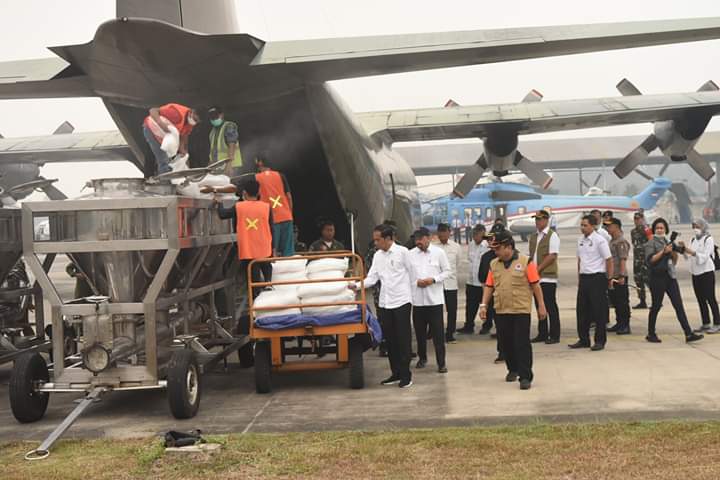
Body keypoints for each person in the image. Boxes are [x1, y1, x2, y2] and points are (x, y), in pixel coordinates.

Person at [480, 231, 547, 390]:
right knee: (506, 342)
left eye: (498, 249)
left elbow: (535, 285)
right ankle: (513, 369)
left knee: (522, 343)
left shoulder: (526, 262)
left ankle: (525, 377)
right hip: (502, 309)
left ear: (508, 247)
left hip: (520, 310)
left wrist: (541, 305)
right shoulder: (494, 264)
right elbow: (489, 286)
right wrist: (483, 305)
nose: (495, 252)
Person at [356, 224, 414, 388]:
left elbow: (413, 275)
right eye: (374, 240)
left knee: (403, 339)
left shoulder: (403, 252)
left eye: (378, 239)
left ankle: (406, 375)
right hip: (385, 303)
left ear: (389, 238)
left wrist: (412, 298)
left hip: (402, 301)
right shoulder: (377, 256)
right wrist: (356, 285)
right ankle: (395, 373)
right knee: (390, 340)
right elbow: (372, 278)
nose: (375, 243)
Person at [644, 218, 704, 343]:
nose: (660, 230)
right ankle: (651, 333)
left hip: (670, 277)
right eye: (657, 228)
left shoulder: (668, 241)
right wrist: (663, 252)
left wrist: (688, 250)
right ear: (654, 230)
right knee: (656, 306)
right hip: (657, 278)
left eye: (662, 228)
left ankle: (688, 333)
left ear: (666, 229)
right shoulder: (651, 243)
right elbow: (650, 260)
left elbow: (680, 250)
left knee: (678, 305)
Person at [215, 178, 272, 293]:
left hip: (248, 249)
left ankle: (256, 298)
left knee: (253, 279)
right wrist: (273, 247)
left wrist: (219, 202)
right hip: (264, 247)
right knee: (266, 267)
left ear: (244, 193)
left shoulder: (239, 206)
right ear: (259, 193)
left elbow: (222, 214)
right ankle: (268, 284)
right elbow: (272, 228)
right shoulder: (267, 207)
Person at [408, 227, 451, 373]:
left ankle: (441, 363)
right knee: (420, 333)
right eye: (416, 239)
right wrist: (416, 283)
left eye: (421, 239)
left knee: (438, 334)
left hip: (434, 301)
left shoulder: (439, 253)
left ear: (429, 238)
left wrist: (433, 279)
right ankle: (422, 358)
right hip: (418, 301)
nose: (418, 242)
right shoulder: (410, 254)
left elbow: (447, 271)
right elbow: (406, 275)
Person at [569, 214, 613, 351]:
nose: (582, 228)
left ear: (593, 226)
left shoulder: (600, 240)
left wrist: (609, 278)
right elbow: (579, 260)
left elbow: (609, 259)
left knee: (598, 311)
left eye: (585, 225)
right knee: (582, 310)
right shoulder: (580, 240)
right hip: (584, 277)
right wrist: (579, 277)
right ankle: (583, 339)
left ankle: (600, 341)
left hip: (597, 277)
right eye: (581, 225)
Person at [528, 210, 561, 344]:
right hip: (536, 277)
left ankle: (554, 334)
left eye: (540, 219)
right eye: (536, 219)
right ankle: (542, 333)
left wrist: (538, 269)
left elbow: (552, 256)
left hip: (547, 277)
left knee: (550, 305)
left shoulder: (552, 236)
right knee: (539, 305)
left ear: (546, 220)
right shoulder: (534, 236)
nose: (537, 222)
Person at [683, 218, 720, 334]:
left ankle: (717, 323)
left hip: (707, 272)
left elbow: (704, 256)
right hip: (695, 272)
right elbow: (687, 256)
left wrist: (692, 252)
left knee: (710, 298)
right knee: (700, 299)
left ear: (703, 226)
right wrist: (684, 249)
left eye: (697, 226)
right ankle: (705, 322)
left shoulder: (708, 239)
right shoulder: (693, 239)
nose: (695, 229)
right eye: (694, 226)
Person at [254, 157, 295, 257]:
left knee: (271, 251)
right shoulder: (280, 175)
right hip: (286, 216)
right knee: (288, 252)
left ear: (260, 162)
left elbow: (254, 198)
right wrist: (290, 214)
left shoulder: (257, 178)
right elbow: (289, 196)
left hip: (270, 219)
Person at [143, 103, 199, 174]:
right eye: (195, 119)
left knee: (167, 157)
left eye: (197, 121)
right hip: (151, 129)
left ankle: (164, 175)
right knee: (162, 157)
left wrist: (182, 149)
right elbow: (153, 110)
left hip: (164, 134)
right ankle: (164, 180)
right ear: (191, 112)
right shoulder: (176, 114)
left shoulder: (190, 122)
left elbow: (183, 134)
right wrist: (160, 123)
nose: (194, 121)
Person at [457, 224, 489, 334]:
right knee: (470, 306)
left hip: (483, 283)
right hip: (471, 281)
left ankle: (487, 325)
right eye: (474, 235)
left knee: (486, 305)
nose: (475, 237)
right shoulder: (471, 245)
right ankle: (469, 326)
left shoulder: (487, 246)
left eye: (478, 235)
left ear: (483, 234)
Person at [434, 223, 461, 343]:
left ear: (449, 232)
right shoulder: (433, 247)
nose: (442, 236)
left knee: (452, 310)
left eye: (445, 233)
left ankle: (450, 333)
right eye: (440, 234)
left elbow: (458, 262)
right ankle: (436, 332)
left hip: (451, 284)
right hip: (437, 285)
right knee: (436, 310)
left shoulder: (456, 247)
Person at [606, 218, 632, 335]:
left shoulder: (621, 242)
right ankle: (619, 323)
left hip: (619, 275)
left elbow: (622, 259)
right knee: (615, 301)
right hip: (612, 275)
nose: (607, 228)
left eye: (609, 226)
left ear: (616, 227)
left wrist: (621, 276)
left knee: (622, 302)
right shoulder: (612, 241)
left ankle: (625, 325)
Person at [207, 106, 242, 176]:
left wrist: (229, 165)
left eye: (215, 116)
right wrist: (209, 167)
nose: (214, 119)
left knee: (231, 186)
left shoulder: (229, 126)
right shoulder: (212, 132)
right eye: (212, 118)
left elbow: (232, 145)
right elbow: (213, 152)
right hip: (218, 168)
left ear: (221, 115)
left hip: (231, 166)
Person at [630, 211, 652, 309]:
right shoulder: (633, 231)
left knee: (648, 280)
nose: (637, 221)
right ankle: (642, 301)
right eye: (635, 219)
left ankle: (657, 300)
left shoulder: (648, 230)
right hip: (637, 259)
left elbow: (651, 242)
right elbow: (634, 244)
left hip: (646, 259)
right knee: (638, 280)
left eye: (639, 219)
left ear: (643, 219)